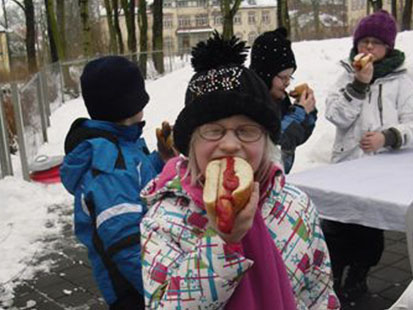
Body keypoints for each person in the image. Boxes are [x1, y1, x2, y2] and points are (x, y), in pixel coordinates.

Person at [139, 32, 339, 310]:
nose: (230, 144)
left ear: (267, 140)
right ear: (192, 145)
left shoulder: (296, 206)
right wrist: (222, 241)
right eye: (213, 131)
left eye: (247, 130)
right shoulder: (164, 222)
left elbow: (319, 293)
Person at [60, 56, 174, 309]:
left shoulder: (122, 144)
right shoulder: (110, 163)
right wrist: (163, 292)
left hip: (143, 271)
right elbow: (125, 241)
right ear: (129, 104)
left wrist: (159, 160)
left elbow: (136, 183)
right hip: (133, 288)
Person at [324, 10, 413, 302]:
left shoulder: (403, 81)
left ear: (388, 46)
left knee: (369, 236)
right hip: (345, 167)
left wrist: (388, 136)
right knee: (336, 230)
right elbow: (335, 115)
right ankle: (332, 281)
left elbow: (411, 122)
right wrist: (359, 85)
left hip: (380, 174)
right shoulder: (345, 77)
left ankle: (358, 279)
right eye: (364, 41)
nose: (368, 48)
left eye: (376, 42)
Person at [250, 27, 317, 174]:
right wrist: (298, 113)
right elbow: (274, 144)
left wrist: (308, 112)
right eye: (282, 77)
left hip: (278, 178)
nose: (287, 83)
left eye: (290, 76)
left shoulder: (279, 99)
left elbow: (295, 138)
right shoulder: (252, 102)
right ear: (265, 75)